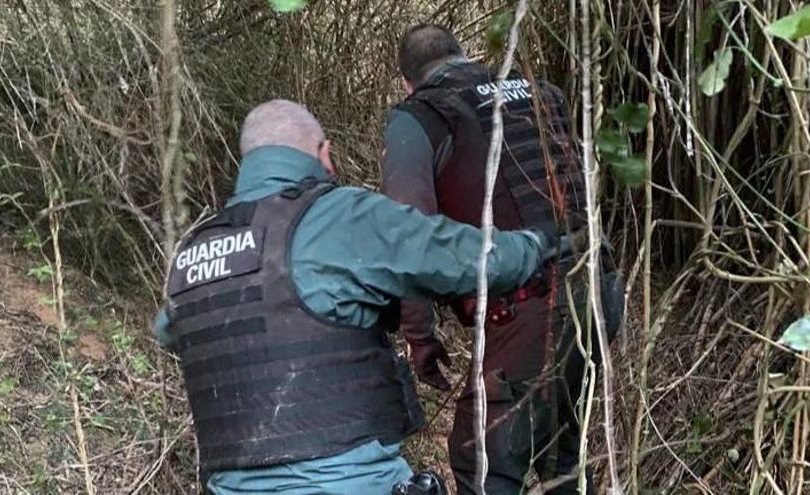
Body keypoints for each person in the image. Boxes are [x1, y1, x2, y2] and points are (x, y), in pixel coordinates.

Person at [154, 99, 571, 495]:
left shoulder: (193, 252)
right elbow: (470, 259)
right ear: (323, 153)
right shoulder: (340, 216)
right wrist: (539, 243)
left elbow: (170, 330)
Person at [382, 24, 624, 495]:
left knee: (480, 457)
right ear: (464, 53)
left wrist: (420, 339)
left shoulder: (421, 116)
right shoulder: (541, 92)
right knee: (559, 447)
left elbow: (408, 238)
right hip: (601, 286)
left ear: (408, 81)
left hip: (534, 304)